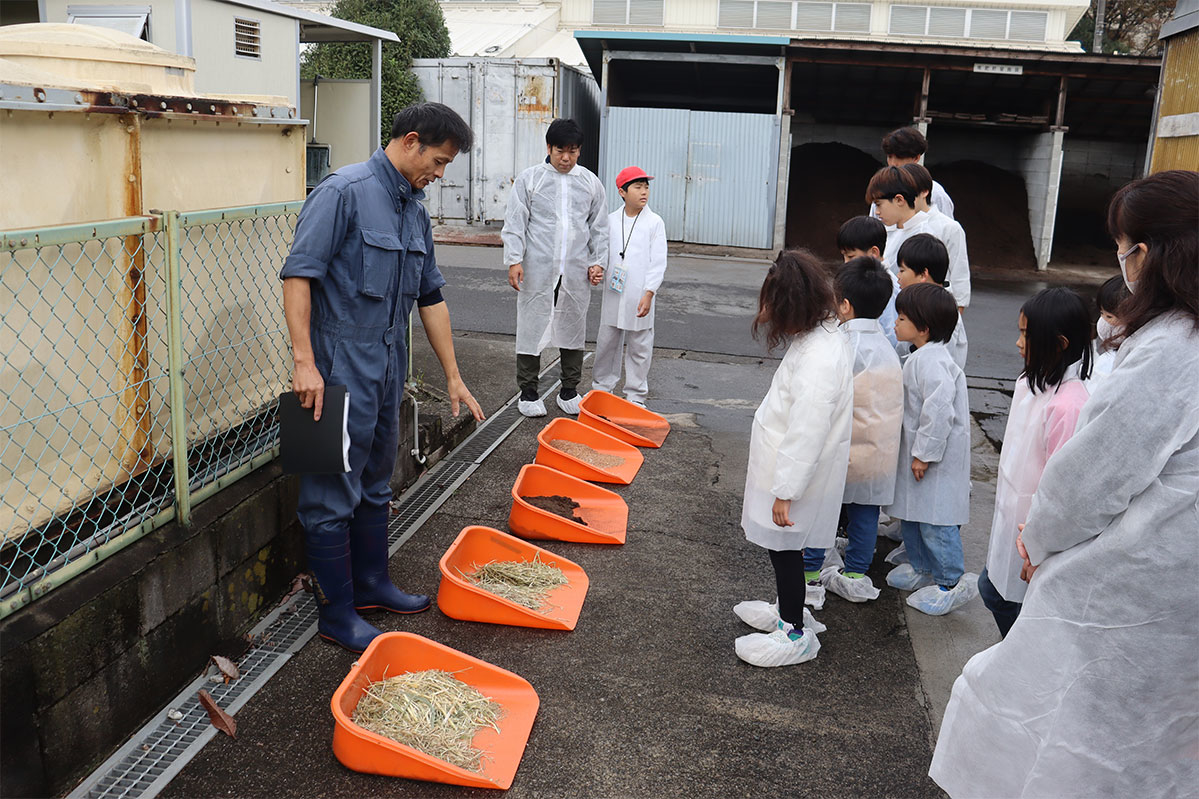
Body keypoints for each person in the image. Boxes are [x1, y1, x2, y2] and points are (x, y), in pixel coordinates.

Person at [930, 169, 1199, 798]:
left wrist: (1040, 539)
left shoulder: (1173, 347)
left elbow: (1091, 478)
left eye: (1125, 246)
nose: (1121, 261)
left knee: (1060, 731)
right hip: (1178, 589)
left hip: (1136, 586)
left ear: (1153, 253)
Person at [281, 103, 485, 653]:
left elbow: (431, 295)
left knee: (375, 482)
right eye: (438, 162)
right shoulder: (341, 192)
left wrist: (454, 375)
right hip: (331, 368)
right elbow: (298, 276)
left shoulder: (413, 209)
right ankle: (335, 615)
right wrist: (304, 362)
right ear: (412, 140)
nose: (439, 175)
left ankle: (372, 585)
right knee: (328, 492)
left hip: (389, 363)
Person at [732, 250, 853, 667]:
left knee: (785, 548)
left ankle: (793, 630)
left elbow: (807, 430)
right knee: (782, 547)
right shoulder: (820, 336)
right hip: (787, 465)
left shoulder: (820, 356)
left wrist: (785, 491)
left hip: (794, 472)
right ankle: (788, 607)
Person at [978, 287, 1092, 638]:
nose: (1017, 343)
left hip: (1034, 530)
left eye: (1027, 335)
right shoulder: (1032, 381)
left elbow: (1063, 487)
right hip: (1013, 517)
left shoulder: (1069, 405)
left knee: (1006, 601)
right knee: (994, 590)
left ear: (1058, 343)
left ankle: (1016, 664)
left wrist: (1040, 548)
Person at [801, 256, 903, 605]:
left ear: (843, 305)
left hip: (843, 449)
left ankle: (810, 572)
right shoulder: (886, 347)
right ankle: (857, 573)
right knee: (865, 514)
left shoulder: (843, 345)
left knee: (823, 511)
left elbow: (829, 398)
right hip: (877, 453)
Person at [502, 118, 608, 417]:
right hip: (537, 268)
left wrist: (598, 261)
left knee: (573, 324)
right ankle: (528, 391)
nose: (566, 158)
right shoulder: (531, 179)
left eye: (573, 151)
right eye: (560, 150)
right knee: (531, 324)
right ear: (548, 147)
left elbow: (599, 227)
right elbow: (515, 222)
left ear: (579, 151)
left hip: (575, 269)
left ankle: (569, 389)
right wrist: (514, 260)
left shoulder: (589, 182)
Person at [884, 283, 977, 616]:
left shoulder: (933, 362)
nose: (895, 323)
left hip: (931, 460)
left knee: (936, 522)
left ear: (922, 329)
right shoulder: (921, 356)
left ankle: (949, 581)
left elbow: (938, 411)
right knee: (913, 514)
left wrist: (924, 453)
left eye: (902, 318)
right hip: (918, 457)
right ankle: (921, 567)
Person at [592, 166, 667, 406]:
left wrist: (649, 292)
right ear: (622, 192)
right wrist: (596, 268)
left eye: (646, 187)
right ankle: (602, 388)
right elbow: (601, 250)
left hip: (639, 293)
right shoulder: (611, 221)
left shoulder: (655, 223)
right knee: (607, 342)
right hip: (614, 291)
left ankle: (635, 395)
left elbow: (658, 261)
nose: (644, 192)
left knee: (640, 345)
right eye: (637, 187)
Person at [901, 163, 970, 311]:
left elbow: (960, 275)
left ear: (924, 192)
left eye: (908, 192)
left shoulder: (949, 227)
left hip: (937, 307)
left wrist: (956, 314)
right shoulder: (897, 225)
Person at [895, 233, 968, 370]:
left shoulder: (943, 312)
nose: (898, 276)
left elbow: (939, 367)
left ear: (923, 274)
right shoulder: (916, 303)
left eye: (902, 270)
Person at [838, 215, 901, 348]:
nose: (846, 263)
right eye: (843, 257)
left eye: (850, 256)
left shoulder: (887, 285)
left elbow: (891, 334)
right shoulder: (861, 278)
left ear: (874, 252)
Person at [869, 126, 954, 219]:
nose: (893, 163)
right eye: (889, 156)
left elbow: (947, 229)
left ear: (916, 158)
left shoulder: (935, 193)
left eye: (900, 157)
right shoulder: (881, 189)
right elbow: (874, 228)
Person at [1091, 274, 1128, 381]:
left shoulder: (1109, 363)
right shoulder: (1107, 357)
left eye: (1109, 316)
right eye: (1101, 313)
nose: (1103, 321)